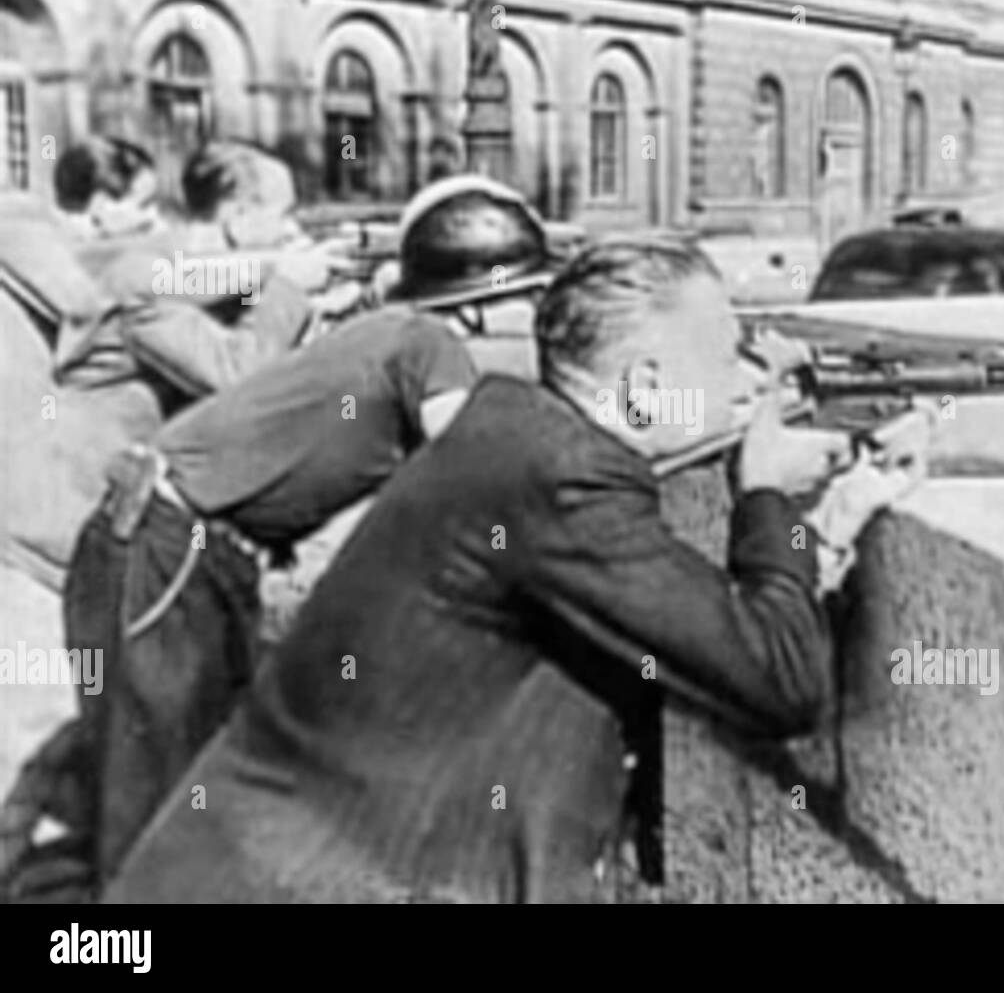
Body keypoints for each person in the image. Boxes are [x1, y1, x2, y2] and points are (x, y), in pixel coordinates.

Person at [102, 236, 928, 904]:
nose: (749, 381)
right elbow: (780, 679)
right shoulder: (563, 481)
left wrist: (836, 517)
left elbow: (679, 610)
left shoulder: (514, 430)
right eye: (730, 355)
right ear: (645, 388)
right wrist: (763, 496)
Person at [0, 175, 559, 902]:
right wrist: (280, 284)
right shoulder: (156, 273)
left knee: (151, 782)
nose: (293, 226)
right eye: (278, 210)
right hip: (103, 544)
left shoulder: (320, 314)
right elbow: (241, 374)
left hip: (157, 544)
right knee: (139, 800)